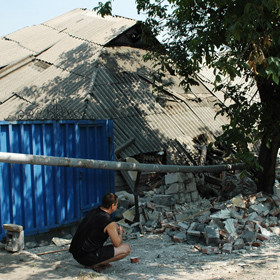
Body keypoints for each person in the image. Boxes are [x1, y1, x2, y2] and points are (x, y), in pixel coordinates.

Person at [69, 192, 130, 272]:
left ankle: (98, 260)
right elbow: (117, 243)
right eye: (116, 204)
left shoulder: (94, 211)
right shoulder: (108, 221)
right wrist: (120, 233)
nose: (117, 206)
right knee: (126, 249)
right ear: (112, 206)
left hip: (77, 254)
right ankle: (96, 264)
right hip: (87, 257)